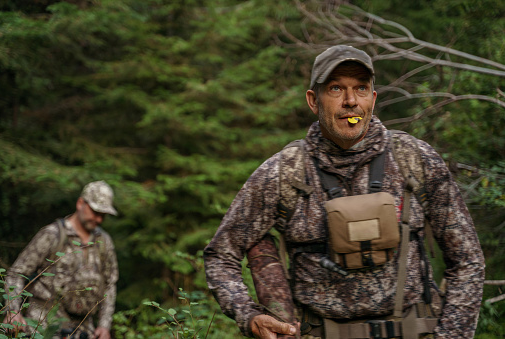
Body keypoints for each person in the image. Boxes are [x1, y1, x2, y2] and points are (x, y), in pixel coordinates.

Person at [204, 45, 485, 338]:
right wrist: (249, 316)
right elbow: (221, 255)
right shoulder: (283, 173)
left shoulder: (415, 159)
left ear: (372, 99)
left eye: (361, 88)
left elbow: (467, 261)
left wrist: (451, 335)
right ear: (314, 100)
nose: (350, 101)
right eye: (336, 88)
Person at [4, 181, 119, 339]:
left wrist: (104, 326)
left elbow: (109, 285)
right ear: (80, 203)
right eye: (95, 211)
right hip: (44, 326)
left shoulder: (104, 242)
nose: (99, 219)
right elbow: (17, 273)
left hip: (84, 328)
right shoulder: (52, 235)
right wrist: (13, 311)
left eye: (103, 215)